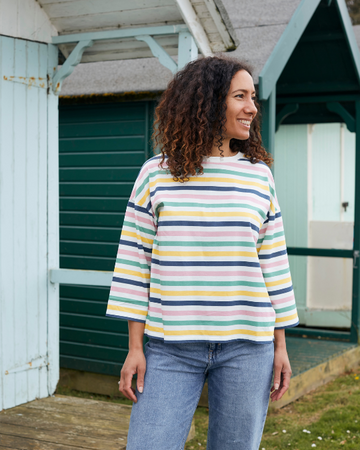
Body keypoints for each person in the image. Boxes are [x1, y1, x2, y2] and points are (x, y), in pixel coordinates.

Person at [106, 56, 299, 450]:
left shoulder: (259, 176)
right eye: (240, 96)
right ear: (209, 102)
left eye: (253, 97)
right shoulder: (155, 174)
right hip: (169, 348)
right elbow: (133, 264)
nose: (252, 107)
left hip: (249, 347)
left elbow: (274, 265)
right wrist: (135, 348)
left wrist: (280, 346)